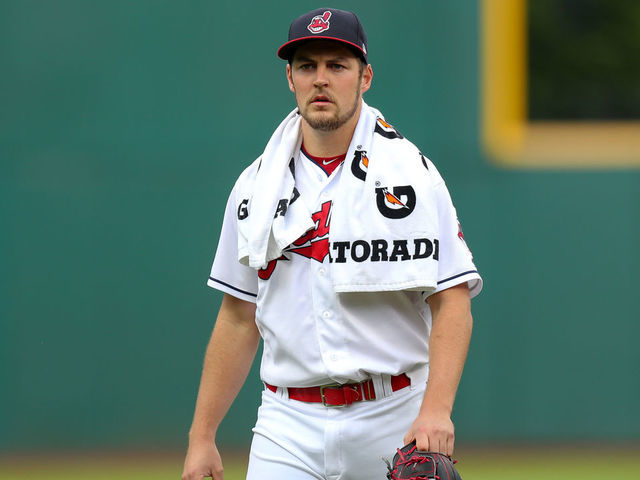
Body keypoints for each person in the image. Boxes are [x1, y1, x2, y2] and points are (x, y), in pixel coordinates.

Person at [182, 7, 482, 480]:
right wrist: (202, 438)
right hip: (287, 423)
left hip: (393, 415)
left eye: (337, 66)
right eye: (307, 66)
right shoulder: (254, 189)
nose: (321, 79)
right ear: (290, 78)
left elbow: (453, 301)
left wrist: (436, 411)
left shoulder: (411, 174)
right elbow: (239, 317)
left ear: (365, 78)